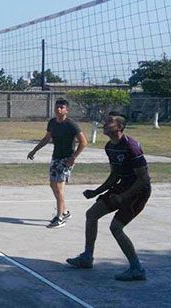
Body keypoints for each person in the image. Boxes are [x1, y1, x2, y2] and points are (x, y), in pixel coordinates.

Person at [66, 112, 151, 281]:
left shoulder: (131, 147)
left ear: (119, 127)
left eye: (109, 122)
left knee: (116, 228)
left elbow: (144, 179)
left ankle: (137, 268)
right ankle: (87, 258)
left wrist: (124, 196)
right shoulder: (109, 146)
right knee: (91, 214)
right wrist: (96, 192)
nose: (105, 123)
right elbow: (115, 175)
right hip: (122, 187)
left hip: (138, 192)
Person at [27, 98, 87, 228]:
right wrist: (34, 150)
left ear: (66, 110)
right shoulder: (53, 122)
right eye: (57, 107)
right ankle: (65, 212)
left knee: (59, 188)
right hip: (56, 158)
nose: (58, 109)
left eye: (61, 107)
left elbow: (83, 142)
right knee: (52, 185)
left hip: (66, 159)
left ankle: (59, 218)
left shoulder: (71, 124)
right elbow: (46, 138)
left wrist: (73, 157)